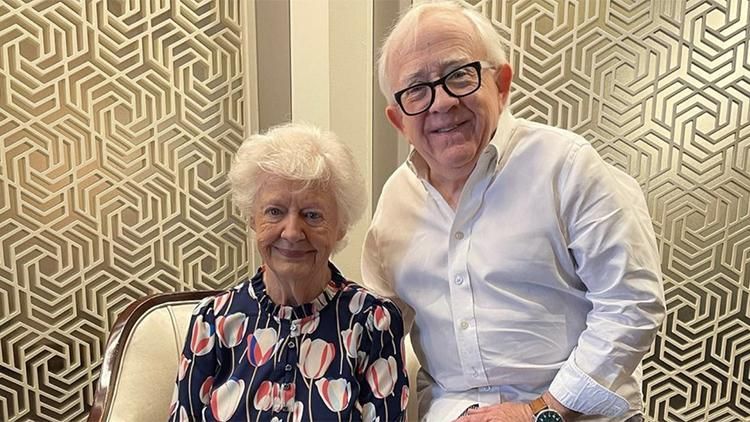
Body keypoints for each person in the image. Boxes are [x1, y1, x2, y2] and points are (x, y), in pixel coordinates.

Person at [361, 2, 665, 422]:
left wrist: (539, 411)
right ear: (398, 120)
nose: (442, 102)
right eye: (417, 89)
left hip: (570, 414)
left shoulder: (566, 165)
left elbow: (631, 302)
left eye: (459, 75)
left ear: (501, 84)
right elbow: (377, 324)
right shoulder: (395, 200)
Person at [170, 123, 409, 422]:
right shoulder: (213, 321)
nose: (293, 232)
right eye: (275, 211)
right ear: (252, 217)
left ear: (341, 226)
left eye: (312, 215)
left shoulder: (373, 321)